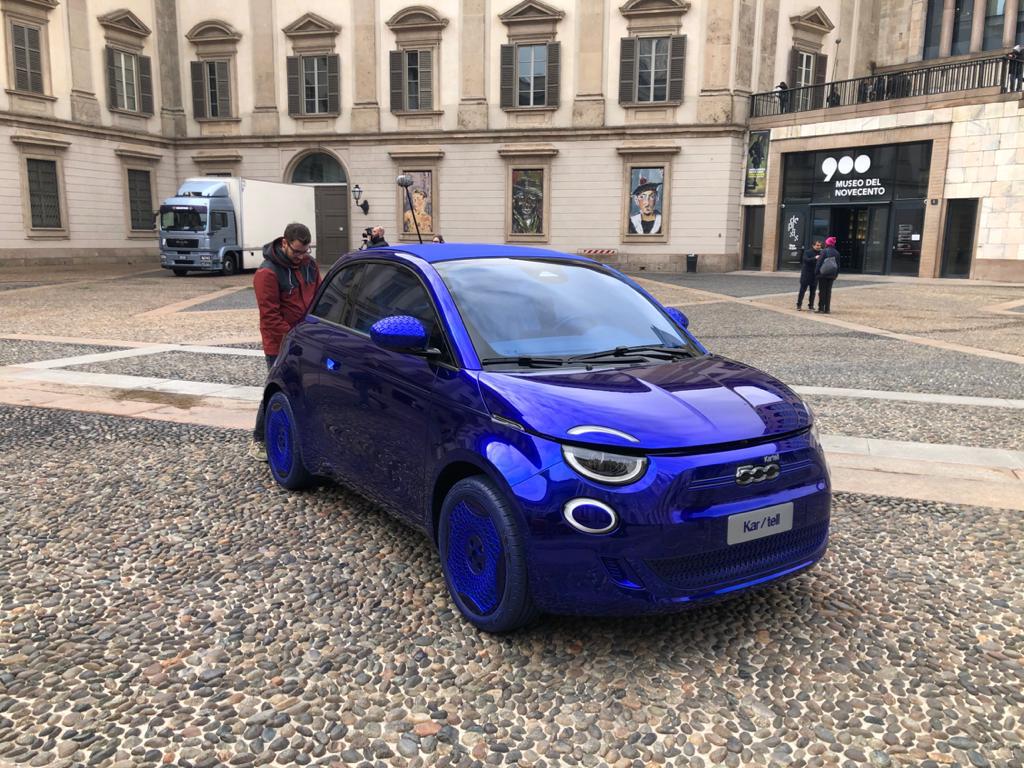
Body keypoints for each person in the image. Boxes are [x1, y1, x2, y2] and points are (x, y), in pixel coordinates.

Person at [248, 222, 321, 460]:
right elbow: (270, 316)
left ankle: (297, 434)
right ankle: (259, 439)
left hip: (306, 338)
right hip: (279, 343)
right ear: (284, 243)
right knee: (278, 387)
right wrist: (293, 338)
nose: (301, 256)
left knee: (303, 388)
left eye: (305, 251)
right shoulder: (267, 273)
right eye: (296, 251)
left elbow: (319, 297)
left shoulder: (309, 265)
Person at [815, 236, 841, 314]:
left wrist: (816, 272)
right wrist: (836, 275)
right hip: (832, 274)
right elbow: (838, 265)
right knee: (828, 291)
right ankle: (827, 309)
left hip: (823, 274)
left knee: (822, 291)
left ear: (827, 243)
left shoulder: (824, 251)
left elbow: (819, 263)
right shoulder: (837, 252)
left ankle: (821, 308)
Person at [797, 240, 822, 311]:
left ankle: (811, 305)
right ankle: (799, 305)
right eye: (817, 245)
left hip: (815, 275)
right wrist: (815, 258)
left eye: (820, 245)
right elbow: (805, 260)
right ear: (813, 245)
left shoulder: (821, 253)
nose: (819, 247)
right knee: (802, 290)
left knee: (813, 291)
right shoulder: (807, 252)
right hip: (806, 274)